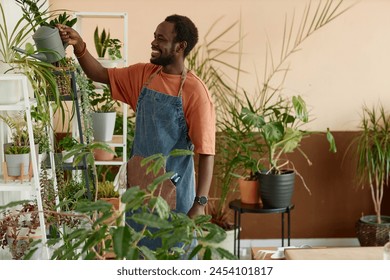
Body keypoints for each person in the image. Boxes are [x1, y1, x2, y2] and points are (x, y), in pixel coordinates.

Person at [57, 15, 215, 249]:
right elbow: (100, 74)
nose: (153, 42)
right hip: (139, 195)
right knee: (138, 256)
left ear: (180, 46)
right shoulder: (144, 75)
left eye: (160, 38)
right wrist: (79, 46)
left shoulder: (195, 91)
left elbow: (206, 152)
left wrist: (199, 203)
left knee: (173, 258)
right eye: (154, 36)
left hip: (175, 196)